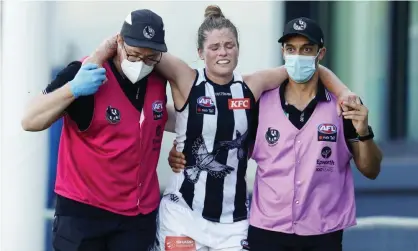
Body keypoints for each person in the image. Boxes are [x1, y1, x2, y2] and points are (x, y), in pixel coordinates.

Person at [85, 6, 359, 251]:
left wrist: (344, 92)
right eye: (215, 47)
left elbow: (309, 67)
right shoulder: (186, 78)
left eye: (229, 45)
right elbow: (138, 44)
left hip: (234, 221)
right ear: (200, 52)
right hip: (184, 214)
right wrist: (97, 57)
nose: (223, 52)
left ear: (238, 48)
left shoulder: (253, 84)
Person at [169, 16, 383, 251]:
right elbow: (225, 139)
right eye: (291, 49)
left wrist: (364, 133)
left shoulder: (343, 106)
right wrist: (181, 151)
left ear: (320, 54)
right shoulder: (260, 102)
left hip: (323, 231)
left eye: (306, 49)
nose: (298, 56)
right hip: (267, 231)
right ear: (283, 51)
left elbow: (371, 170)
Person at [21, 9, 176, 251]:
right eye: (134, 56)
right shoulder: (84, 71)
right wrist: (72, 89)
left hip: (136, 217)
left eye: (150, 58)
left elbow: (158, 117)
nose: (142, 64)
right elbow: (30, 119)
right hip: (84, 213)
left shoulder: (158, 77)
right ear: (120, 43)